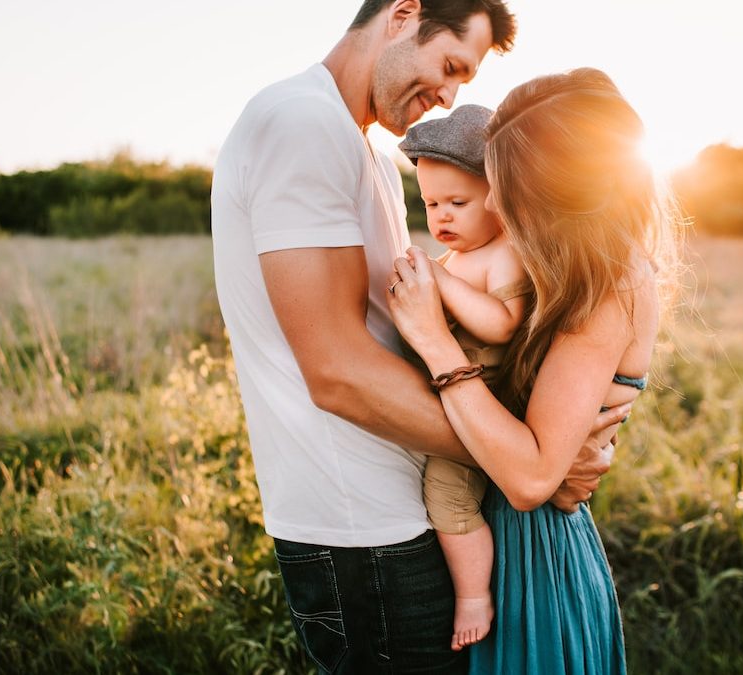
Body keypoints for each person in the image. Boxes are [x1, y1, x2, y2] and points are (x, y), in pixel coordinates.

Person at [210, 1, 632, 672]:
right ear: (403, 14)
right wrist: (529, 461)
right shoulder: (300, 124)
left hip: (407, 515)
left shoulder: (367, 154)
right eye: (449, 66)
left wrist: (536, 452)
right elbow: (338, 371)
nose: (449, 95)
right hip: (366, 530)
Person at [387, 67, 678, 674]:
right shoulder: (560, 269)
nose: (493, 202)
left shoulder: (610, 284)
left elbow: (530, 478)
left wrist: (435, 342)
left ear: (560, 192)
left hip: (534, 559)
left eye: (505, 185)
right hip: (504, 537)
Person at [398, 103, 530, 651]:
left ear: (499, 199)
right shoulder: (458, 258)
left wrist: (440, 283)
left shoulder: (505, 255)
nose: (442, 217)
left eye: (458, 202)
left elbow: (502, 324)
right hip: (451, 399)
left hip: (485, 411)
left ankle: (474, 595)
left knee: (447, 497)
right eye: (431, 204)